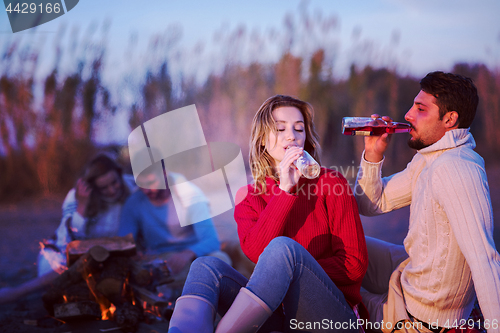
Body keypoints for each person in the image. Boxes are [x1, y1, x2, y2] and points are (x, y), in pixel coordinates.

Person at [168, 95, 368, 333]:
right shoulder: (249, 195)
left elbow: (354, 265)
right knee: (205, 267)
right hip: (278, 313)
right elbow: (255, 252)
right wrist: (284, 191)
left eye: (299, 128)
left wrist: (295, 270)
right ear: (262, 140)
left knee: (284, 250)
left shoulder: (331, 183)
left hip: (330, 315)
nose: (292, 135)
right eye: (280, 128)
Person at [354, 71, 500, 332]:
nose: (408, 115)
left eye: (420, 109)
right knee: (339, 244)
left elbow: (484, 260)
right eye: (412, 106)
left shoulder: (456, 169)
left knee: (326, 280)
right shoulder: (430, 157)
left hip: (416, 318)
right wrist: (373, 154)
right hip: (409, 276)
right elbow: (371, 203)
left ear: (449, 119)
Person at [0, 153, 136, 304]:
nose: (111, 190)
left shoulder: (131, 188)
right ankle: (16, 292)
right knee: (68, 271)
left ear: (119, 175)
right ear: (93, 186)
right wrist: (82, 206)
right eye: (104, 187)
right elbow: (68, 239)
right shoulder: (75, 197)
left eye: (114, 183)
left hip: (107, 256)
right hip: (63, 253)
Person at [117, 161, 228, 296]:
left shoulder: (190, 194)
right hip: (158, 260)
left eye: (151, 183)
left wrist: (187, 253)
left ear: (164, 174)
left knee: (220, 259)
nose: (146, 190)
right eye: (141, 184)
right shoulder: (134, 202)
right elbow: (124, 241)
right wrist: (133, 252)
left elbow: (212, 240)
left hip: (193, 256)